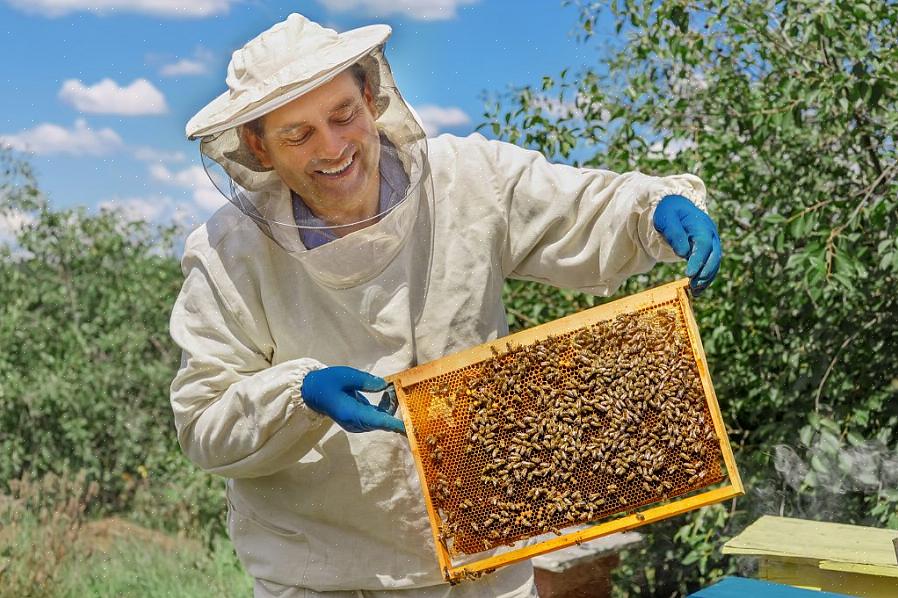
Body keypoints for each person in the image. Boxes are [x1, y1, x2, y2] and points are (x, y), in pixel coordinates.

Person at [169, 12, 720, 598]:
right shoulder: (229, 254)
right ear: (257, 147)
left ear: (372, 96)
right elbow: (204, 423)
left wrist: (652, 211)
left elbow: (582, 209)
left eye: (343, 114)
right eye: (298, 135)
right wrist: (298, 397)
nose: (332, 148)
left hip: (490, 557)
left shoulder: (466, 178)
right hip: (325, 578)